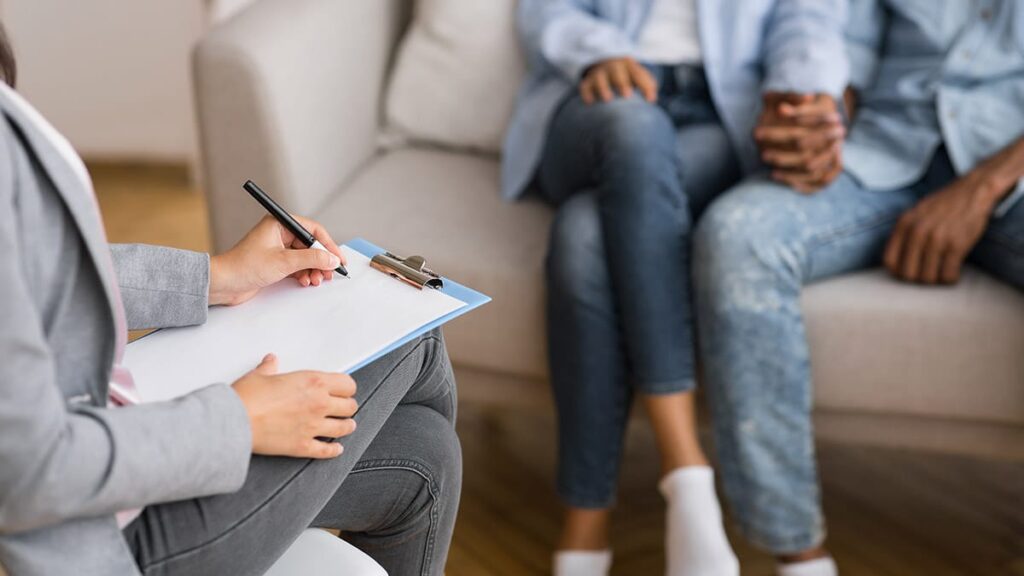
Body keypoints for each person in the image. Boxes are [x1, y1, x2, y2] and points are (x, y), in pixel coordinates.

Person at [0, 27, 460, 576]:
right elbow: (26, 474)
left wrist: (216, 277)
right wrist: (238, 420)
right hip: (92, 539)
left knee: (426, 457)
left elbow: (35, 272)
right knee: (413, 333)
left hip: (111, 459)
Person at [504, 1, 849, 574]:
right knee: (633, 125)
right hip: (596, 97)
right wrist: (600, 51)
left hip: (718, 114)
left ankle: (584, 527)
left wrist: (800, 89)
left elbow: (808, 18)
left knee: (584, 233)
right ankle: (684, 467)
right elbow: (544, 8)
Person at [693, 1, 1024, 575]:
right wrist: (821, 109)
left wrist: (983, 186)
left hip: (1011, 171)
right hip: (884, 152)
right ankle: (798, 556)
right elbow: (837, 32)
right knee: (738, 235)